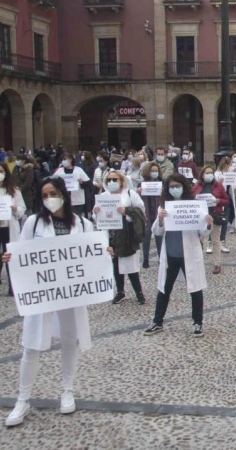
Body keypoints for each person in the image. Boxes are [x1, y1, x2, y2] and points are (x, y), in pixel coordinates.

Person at [3, 177, 101, 427]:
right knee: (31, 344)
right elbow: (21, 253)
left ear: (64, 195)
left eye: (53, 193)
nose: (49, 199)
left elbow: (91, 254)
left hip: (71, 293)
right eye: (45, 195)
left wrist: (103, 253)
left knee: (69, 339)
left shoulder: (82, 223)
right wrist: (10, 258)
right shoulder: (33, 223)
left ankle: (67, 390)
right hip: (41, 292)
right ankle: (23, 399)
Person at [144, 174, 212, 337]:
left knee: (195, 288)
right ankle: (157, 321)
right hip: (170, 254)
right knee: (164, 288)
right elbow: (157, 231)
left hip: (189, 253)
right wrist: (160, 220)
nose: (175, 189)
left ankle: (198, 322)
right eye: (172, 186)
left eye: (178, 186)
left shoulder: (195, 206)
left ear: (184, 187)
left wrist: (208, 223)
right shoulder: (164, 206)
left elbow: (202, 232)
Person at [93, 170, 146, 305]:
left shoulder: (129, 194)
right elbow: (97, 218)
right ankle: (120, 291)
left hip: (127, 233)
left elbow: (141, 210)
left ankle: (138, 291)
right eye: (109, 180)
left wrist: (126, 211)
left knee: (131, 266)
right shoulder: (104, 196)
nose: (112, 182)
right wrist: (96, 213)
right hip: (112, 234)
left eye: (115, 179)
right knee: (116, 264)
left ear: (121, 181)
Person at [194, 165, 230, 274]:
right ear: (202, 175)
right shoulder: (196, 186)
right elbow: (191, 198)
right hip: (201, 217)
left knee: (215, 240)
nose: (209, 175)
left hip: (215, 215)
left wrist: (219, 201)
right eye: (207, 173)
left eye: (211, 173)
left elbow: (226, 200)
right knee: (199, 240)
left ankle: (217, 264)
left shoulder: (218, 186)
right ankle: (197, 262)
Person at [0, 163, 25, 293]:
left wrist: (15, 209)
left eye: (1, 171)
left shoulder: (13, 190)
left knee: (10, 256)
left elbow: (22, 208)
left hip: (8, 227)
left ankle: (12, 287)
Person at [139, 161, 162, 269]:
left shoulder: (161, 182)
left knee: (159, 236)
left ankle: (160, 258)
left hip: (157, 211)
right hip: (147, 211)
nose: (154, 172)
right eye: (152, 171)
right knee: (146, 236)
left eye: (156, 171)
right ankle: (146, 259)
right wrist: (138, 191)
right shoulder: (142, 183)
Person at [212, 158, 236, 254]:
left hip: (227, 198)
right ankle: (212, 243)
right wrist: (220, 184)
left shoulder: (230, 174)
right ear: (226, 165)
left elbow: (233, 187)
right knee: (216, 221)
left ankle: (223, 242)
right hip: (219, 200)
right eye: (230, 164)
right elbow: (214, 188)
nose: (231, 166)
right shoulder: (217, 174)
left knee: (225, 220)